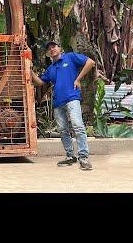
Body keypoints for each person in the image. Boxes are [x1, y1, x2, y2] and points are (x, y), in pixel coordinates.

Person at [31, 40, 96, 171]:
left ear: (59, 48)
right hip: (58, 102)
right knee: (63, 130)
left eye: (54, 46)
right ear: (48, 53)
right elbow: (40, 82)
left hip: (72, 98)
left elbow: (90, 62)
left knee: (78, 125)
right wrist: (29, 70)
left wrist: (78, 79)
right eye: (49, 48)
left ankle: (83, 157)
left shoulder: (70, 57)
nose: (52, 49)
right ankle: (70, 156)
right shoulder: (51, 69)